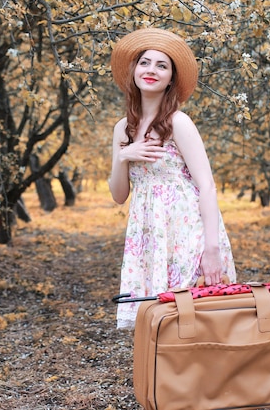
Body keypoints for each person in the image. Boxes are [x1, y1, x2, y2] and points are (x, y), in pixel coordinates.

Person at [109, 28, 236, 330]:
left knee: (197, 318)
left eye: (161, 66)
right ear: (134, 71)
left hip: (186, 233)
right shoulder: (121, 129)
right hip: (149, 236)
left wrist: (212, 248)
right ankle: (164, 379)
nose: (151, 70)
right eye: (145, 63)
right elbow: (118, 194)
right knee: (159, 322)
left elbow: (206, 185)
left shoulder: (179, 123)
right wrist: (124, 155)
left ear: (170, 79)